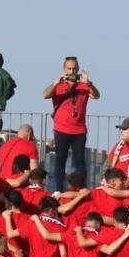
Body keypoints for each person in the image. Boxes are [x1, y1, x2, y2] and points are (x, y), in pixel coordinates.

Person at [45, 56, 100, 191]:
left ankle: (81, 188)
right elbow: (45, 95)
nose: (72, 71)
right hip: (61, 128)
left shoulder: (83, 85)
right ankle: (58, 189)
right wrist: (56, 83)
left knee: (80, 160)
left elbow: (97, 96)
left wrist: (89, 83)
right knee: (60, 159)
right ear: (64, 69)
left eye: (74, 68)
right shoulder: (59, 85)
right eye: (69, 68)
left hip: (79, 130)